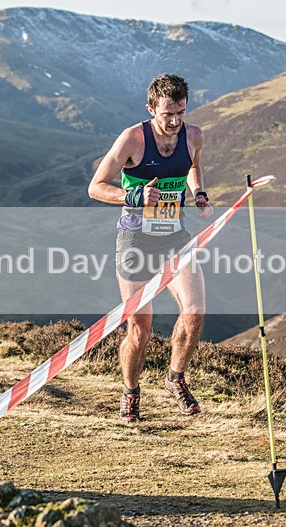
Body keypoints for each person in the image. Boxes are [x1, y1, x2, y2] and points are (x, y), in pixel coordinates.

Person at [88, 74, 213, 423]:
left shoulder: (194, 135)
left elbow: (194, 167)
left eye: (181, 113)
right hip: (135, 240)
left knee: (195, 311)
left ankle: (175, 378)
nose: (174, 121)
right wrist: (134, 195)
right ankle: (130, 393)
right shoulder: (132, 139)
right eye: (167, 114)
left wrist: (199, 195)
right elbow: (95, 187)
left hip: (175, 237)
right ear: (150, 109)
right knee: (140, 331)